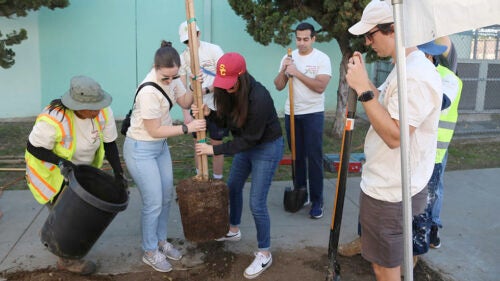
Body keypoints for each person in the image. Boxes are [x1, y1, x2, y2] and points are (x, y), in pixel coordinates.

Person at [345, 1, 442, 280]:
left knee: (384, 266)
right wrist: (364, 83)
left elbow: (395, 135)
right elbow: (388, 111)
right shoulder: (404, 67)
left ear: (394, 29)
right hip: (388, 184)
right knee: (386, 261)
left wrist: (364, 89)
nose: (367, 41)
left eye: (370, 34)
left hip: (392, 191)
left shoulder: (415, 76)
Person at [338, 36, 459, 258]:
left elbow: (432, 104)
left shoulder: (444, 78)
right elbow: (381, 97)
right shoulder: (404, 72)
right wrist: (362, 81)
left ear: (429, 56)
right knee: (382, 213)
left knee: (419, 213)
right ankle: (370, 242)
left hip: (429, 157)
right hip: (398, 158)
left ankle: (411, 254)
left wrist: (406, 82)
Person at [193, 52, 284, 279]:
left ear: (241, 77)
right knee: (232, 186)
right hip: (248, 143)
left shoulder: (259, 98)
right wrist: (210, 114)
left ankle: (264, 253)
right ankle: (233, 230)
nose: (227, 89)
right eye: (223, 85)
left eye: (230, 85)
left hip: (266, 147)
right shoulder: (227, 91)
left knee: (257, 203)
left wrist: (214, 150)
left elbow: (249, 139)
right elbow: (227, 121)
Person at [25, 75, 126, 275]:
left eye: (99, 105)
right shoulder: (53, 119)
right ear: (77, 105)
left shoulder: (103, 113)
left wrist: (119, 172)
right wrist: (62, 163)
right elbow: (33, 147)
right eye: (92, 108)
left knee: (70, 213)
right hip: (50, 173)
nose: (97, 110)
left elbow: (110, 144)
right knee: (68, 217)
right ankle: (67, 259)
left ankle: (51, 230)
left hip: (79, 171)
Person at [122, 40, 206, 273]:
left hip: (159, 147)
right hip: (141, 148)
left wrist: (192, 85)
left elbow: (185, 101)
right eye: (165, 78)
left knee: (166, 196)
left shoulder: (174, 78)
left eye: (173, 76)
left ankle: (160, 242)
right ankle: (150, 251)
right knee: (153, 202)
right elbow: (154, 130)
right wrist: (187, 128)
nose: (170, 82)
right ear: (155, 68)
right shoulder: (149, 91)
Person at [273, 22, 332, 219]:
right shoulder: (289, 57)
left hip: (313, 113)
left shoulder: (322, 59)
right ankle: (301, 194)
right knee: (297, 156)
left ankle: (317, 200)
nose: (301, 43)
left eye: (306, 39)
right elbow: (279, 86)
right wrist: (284, 70)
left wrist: (297, 73)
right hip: (292, 113)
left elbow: (320, 86)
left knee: (314, 157)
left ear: (313, 39)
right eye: (298, 39)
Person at [417, 41, 463, 250]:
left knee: (432, 192)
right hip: (417, 145)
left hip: (436, 149)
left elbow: (439, 103)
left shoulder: (448, 77)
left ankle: (431, 229)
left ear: (429, 56)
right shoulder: (414, 73)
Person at [178, 21, 229, 180]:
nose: (190, 43)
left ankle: (217, 179)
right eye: (186, 41)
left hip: (216, 106)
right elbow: (182, 89)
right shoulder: (183, 58)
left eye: (192, 38)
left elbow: (224, 78)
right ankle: (200, 176)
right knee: (198, 144)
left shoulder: (214, 50)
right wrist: (186, 113)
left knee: (216, 143)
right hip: (196, 108)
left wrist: (205, 90)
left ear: (199, 34)